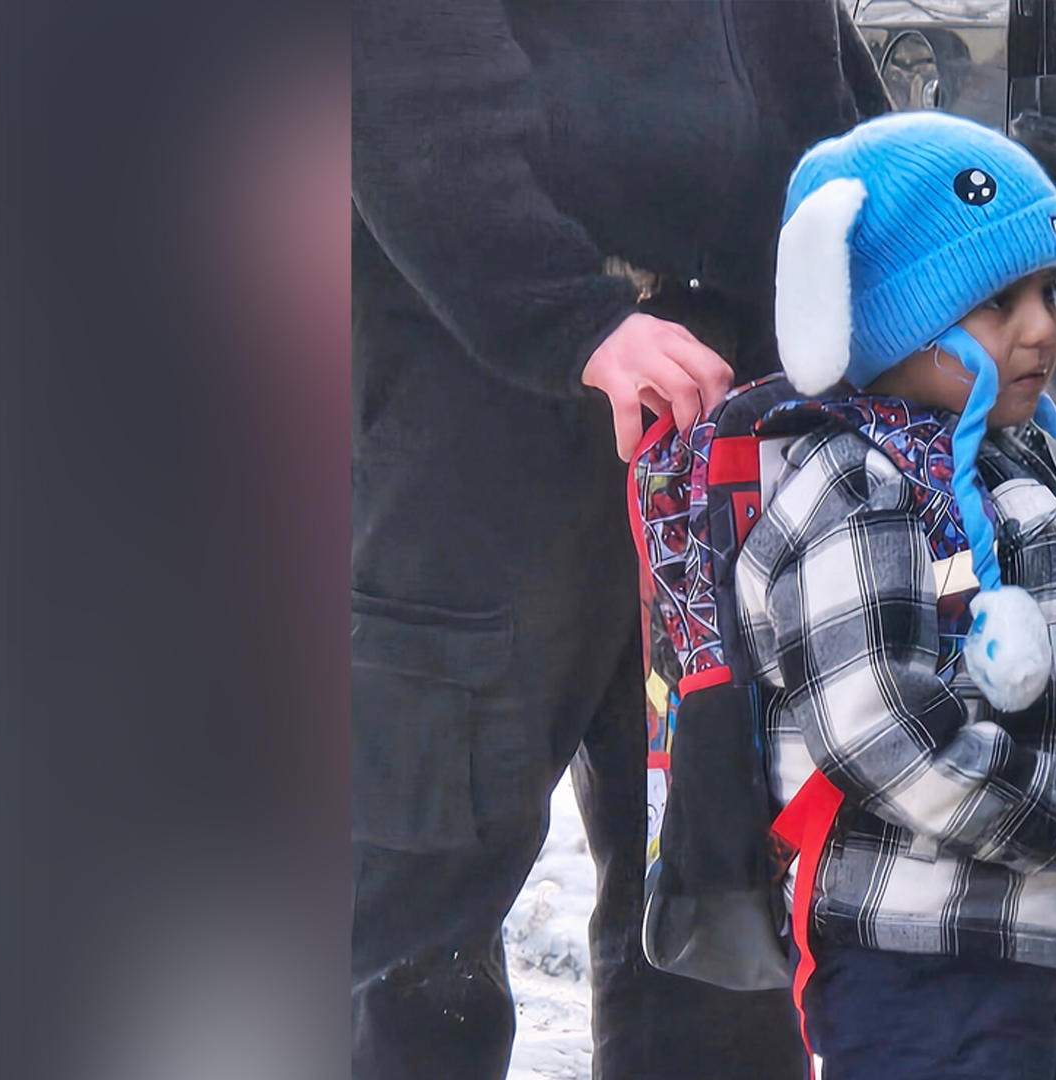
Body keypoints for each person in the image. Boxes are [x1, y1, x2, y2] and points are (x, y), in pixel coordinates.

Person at [349, 3, 888, 1078]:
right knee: (422, 901)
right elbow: (394, 68)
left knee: (719, 891)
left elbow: (811, 76)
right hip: (486, 402)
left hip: (731, 396)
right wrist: (570, 318)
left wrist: (920, 287)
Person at [736, 112, 1056, 1080]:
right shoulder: (857, 482)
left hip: (1053, 946)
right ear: (897, 313)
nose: (1042, 327)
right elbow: (879, 731)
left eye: (1048, 291)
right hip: (917, 964)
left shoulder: (1037, 464)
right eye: (996, 301)